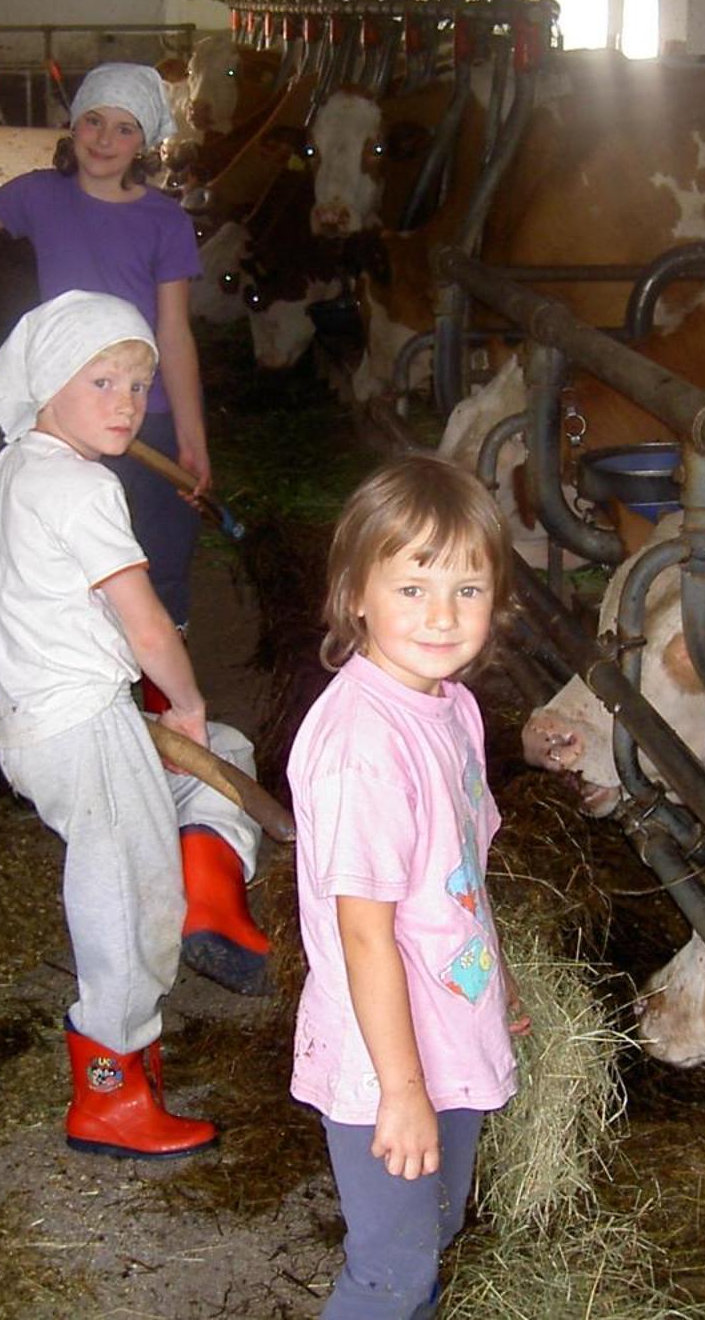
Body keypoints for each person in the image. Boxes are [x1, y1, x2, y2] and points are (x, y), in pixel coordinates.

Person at [0, 289, 256, 1158]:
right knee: (124, 900)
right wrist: (192, 703)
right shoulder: (85, 487)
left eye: (139, 385)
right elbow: (142, 625)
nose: (127, 404)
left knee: (224, 762)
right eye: (101, 382)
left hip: (33, 728)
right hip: (85, 727)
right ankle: (110, 1094)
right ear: (46, 385)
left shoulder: (10, 467)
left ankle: (207, 892)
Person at [288, 455, 529, 1318]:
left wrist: (488, 989)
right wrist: (401, 1091)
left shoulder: (450, 707)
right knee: (390, 1273)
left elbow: (456, 878)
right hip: (384, 1057)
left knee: (427, 1243)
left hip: (444, 1027)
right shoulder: (367, 747)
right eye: (414, 585)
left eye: (468, 589)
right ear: (356, 592)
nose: (442, 615)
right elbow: (364, 934)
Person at [0, 62, 209, 629]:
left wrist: (191, 437)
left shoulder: (165, 221)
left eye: (124, 128)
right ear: (73, 125)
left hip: (138, 410)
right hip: (60, 409)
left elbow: (173, 334)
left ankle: (161, 698)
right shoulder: (39, 196)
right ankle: (51, 658)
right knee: (51, 541)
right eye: (93, 121)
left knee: (158, 551)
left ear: (146, 144)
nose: (104, 140)